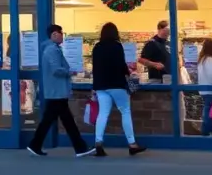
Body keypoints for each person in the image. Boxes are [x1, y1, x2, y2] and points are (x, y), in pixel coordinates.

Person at [26, 24, 95, 158]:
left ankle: (35, 145)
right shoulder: (51, 50)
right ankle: (80, 148)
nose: (62, 35)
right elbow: (56, 69)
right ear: (54, 34)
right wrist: (71, 72)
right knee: (66, 122)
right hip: (56, 91)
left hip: (55, 91)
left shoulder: (52, 49)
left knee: (53, 121)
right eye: (61, 33)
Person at [91, 22, 146, 156]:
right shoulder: (117, 46)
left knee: (103, 114)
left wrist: (94, 86)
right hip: (117, 84)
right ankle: (132, 144)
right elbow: (121, 65)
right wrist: (129, 74)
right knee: (125, 111)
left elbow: (95, 68)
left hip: (101, 85)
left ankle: (98, 143)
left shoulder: (97, 48)